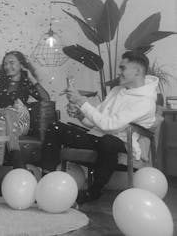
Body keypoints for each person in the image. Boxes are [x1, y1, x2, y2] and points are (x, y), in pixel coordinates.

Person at [41, 51, 158, 203]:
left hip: (120, 142)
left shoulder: (145, 101)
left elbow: (109, 126)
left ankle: (94, 191)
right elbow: (97, 120)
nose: (119, 72)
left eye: (123, 68)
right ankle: (45, 182)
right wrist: (80, 114)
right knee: (55, 127)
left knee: (108, 141)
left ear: (137, 71)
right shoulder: (117, 91)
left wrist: (82, 102)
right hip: (97, 137)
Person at [0, 51, 50, 195]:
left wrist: (33, 79)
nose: (7, 66)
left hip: (18, 124)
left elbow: (46, 99)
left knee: (1, 124)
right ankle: (18, 164)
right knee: (4, 115)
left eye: (12, 62)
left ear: (21, 65)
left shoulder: (26, 84)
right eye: (5, 64)